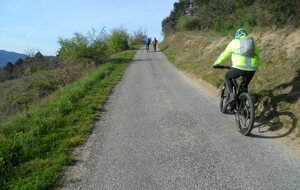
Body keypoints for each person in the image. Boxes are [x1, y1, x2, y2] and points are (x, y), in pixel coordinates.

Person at [213, 29, 260, 103]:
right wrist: (254, 66)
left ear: (236, 35)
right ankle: (243, 106)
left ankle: (232, 95)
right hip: (252, 68)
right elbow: (257, 54)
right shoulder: (252, 42)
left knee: (227, 76)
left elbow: (225, 54)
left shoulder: (234, 42)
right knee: (244, 85)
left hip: (239, 67)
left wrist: (216, 63)